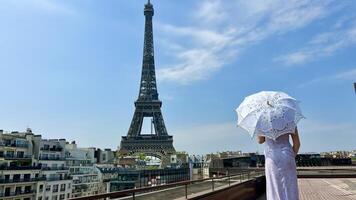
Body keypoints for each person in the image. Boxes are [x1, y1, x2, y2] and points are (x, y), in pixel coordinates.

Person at [257, 127, 300, 200]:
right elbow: (297, 144)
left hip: (272, 157)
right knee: (290, 188)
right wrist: (291, 156)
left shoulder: (263, 121)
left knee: (274, 188)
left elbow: (260, 140)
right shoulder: (289, 118)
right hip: (287, 155)